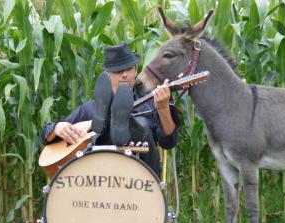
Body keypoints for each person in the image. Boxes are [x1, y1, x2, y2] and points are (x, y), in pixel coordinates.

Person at [40, 43, 180, 176]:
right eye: (118, 71)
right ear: (107, 75)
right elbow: (45, 135)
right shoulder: (91, 108)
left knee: (141, 124)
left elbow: (169, 141)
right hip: (100, 180)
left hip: (141, 179)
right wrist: (57, 127)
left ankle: (116, 122)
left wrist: (163, 108)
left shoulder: (151, 102)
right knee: (98, 133)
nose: (124, 74)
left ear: (136, 70)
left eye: (129, 69)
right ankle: (107, 123)